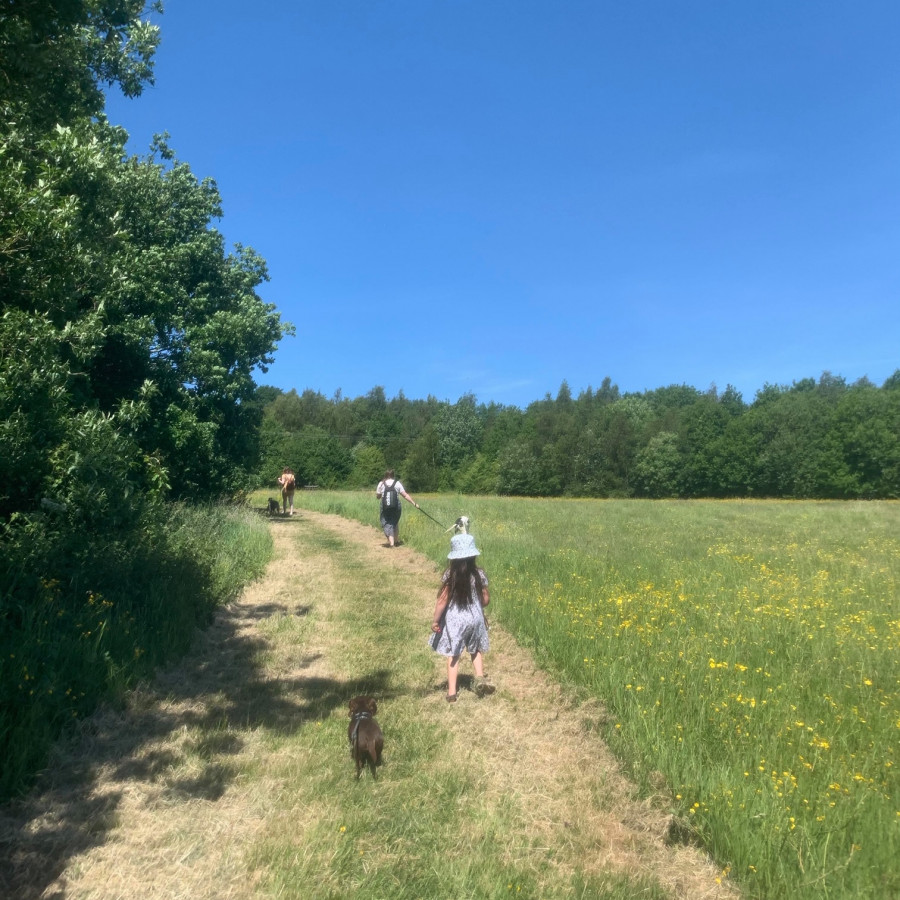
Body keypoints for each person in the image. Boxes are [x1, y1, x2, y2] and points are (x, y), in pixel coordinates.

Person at [429, 532, 495, 702]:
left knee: (454, 653)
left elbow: (442, 601)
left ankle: (452, 692)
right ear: (473, 556)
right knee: (475, 650)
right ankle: (480, 679)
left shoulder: (450, 575)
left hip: (456, 621)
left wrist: (436, 620)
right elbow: (485, 600)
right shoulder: (479, 574)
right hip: (475, 620)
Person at [375, 469, 418, 547]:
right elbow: (405, 495)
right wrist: (414, 503)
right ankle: (396, 541)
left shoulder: (381, 483)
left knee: (386, 522)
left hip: (385, 506)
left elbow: (378, 496)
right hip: (396, 506)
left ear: (385, 475)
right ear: (393, 475)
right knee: (395, 521)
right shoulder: (397, 483)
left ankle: (391, 543)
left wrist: (380, 495)